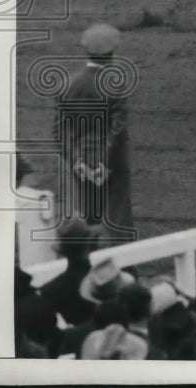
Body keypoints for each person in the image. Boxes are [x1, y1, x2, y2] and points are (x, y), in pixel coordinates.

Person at [53, 23, 135, 242]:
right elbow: (116, 130)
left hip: (81, 163)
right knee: (119, 219)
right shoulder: (116, 86)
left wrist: (77, 161)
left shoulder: (68, 85)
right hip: (112, 164)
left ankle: (87, 263)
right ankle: (125, 270)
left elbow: (59, 130)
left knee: (90, 218)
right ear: (111, 53)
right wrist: (103, 161)